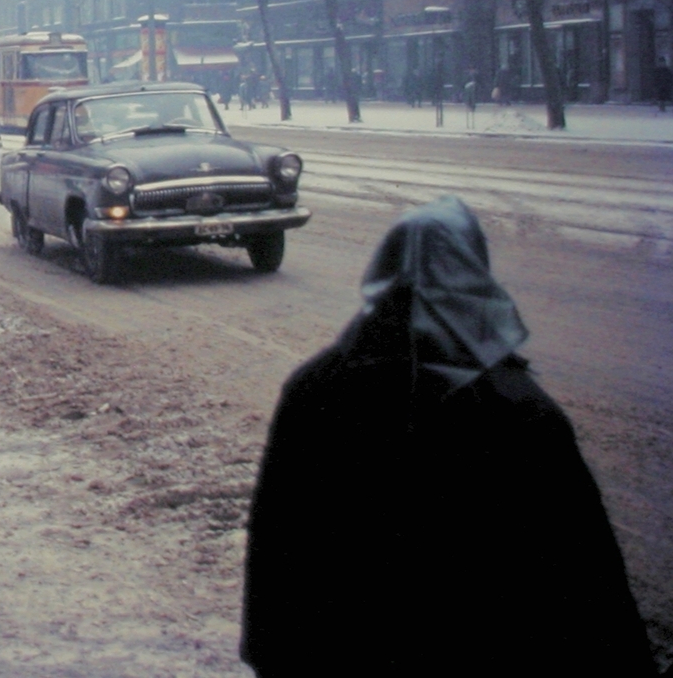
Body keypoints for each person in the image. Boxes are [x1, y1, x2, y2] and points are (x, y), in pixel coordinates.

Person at [240, 196, 654, 677]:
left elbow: (278, 554)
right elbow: (588, 586)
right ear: (477, 277)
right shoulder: (521, 413)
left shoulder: (314, 391)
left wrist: (275, 657)